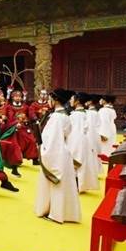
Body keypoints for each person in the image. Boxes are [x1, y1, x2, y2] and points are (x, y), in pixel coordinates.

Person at [34, 88, 82, 224]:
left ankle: (56, 213)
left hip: (56, 154)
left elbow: (52, 141)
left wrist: (41, 149)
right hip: (63, 153)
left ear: (55, 101)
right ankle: (64, 213)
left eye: (50, 99)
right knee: (65, 185)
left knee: (56, 184)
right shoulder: (66, 116)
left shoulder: (56, 118)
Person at [69, 92, 100, 193]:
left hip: (76, 141)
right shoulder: (86, 113)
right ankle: (80, 184)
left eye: (72, 99)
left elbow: (75, 132)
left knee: (76, 162)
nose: (70, 101)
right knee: (83, 163)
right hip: (84, 141)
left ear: (77, 101)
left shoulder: (76, 115)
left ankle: (76, 184)